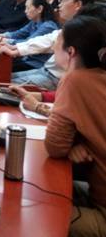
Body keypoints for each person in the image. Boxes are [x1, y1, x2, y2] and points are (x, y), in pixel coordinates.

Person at [44, 16, 106, 237]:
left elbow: (54, 147)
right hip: (96, 192)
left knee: (37, 214)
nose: (54, 46)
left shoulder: (76, 80)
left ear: (71, 52)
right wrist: (76, 144)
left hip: (103, 213)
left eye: (57, 41)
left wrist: (69, 146)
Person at [7, 0, 95, 90]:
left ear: (78, 4)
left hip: (56, 78)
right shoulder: (71, 25)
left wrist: (15, 49)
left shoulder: (84, 29)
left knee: (3, 82)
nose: (59, 4)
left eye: (64, 0)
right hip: (45, 70)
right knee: (3, 77)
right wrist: (15, 47)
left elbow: (48, 43)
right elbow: (47, 39)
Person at [0, 0, 58, 72]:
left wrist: (1, 40)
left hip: (36, 64)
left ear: (39, 9)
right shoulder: (34, 22)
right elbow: (18, 33)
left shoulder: (48, 26)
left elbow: (28, 42)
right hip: (26, 58)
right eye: (25, 8)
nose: (25, 11)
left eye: (28, 8)